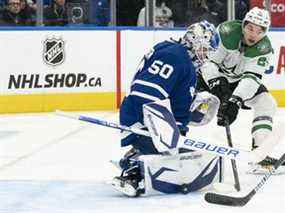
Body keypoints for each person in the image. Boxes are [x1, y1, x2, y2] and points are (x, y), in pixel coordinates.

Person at [110, 20, 221, 197]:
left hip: (149, 121)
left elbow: (175, 98)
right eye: (205, 48)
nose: (206, 55)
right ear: (194, 40)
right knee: (181, 160)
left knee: (188, 157)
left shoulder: (178, 55)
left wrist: (191, 108)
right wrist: (161, 132)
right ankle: (133, 171)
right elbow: (145, 94)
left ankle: (139, 154)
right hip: (142, 121)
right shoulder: (175, 56)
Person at [196, 7, 285, 174]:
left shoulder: (264, 49)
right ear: (243, 25)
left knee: (267, 102)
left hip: (238, 83)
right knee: (192, 108)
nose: (253, 34)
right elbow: (208, 63)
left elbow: (251, 79)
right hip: (209, 78)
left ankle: (260, 155)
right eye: (250, 28)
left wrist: (235, 101)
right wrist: (217, 86)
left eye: (259, 31)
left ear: (265, 33)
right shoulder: (226, 31)